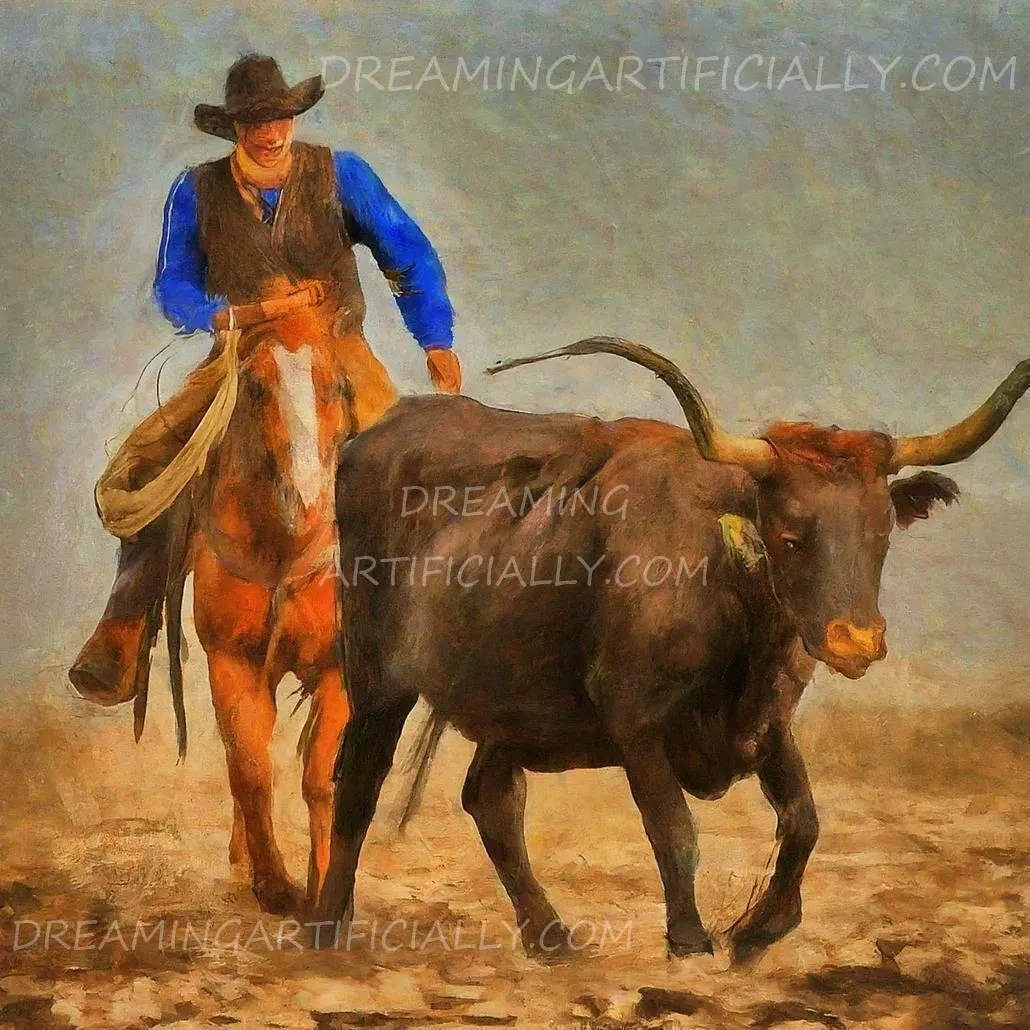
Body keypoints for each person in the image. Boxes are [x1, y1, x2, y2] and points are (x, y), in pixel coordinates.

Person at [69, 54, 460, 704]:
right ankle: (121, 634)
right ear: (235, 127)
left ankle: (436, 630)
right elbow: (174, 285)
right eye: (255, 121)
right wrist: (220, 316)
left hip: (340, 353)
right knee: (148, 469)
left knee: (416, 470)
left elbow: (408, 254)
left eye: (278, 117)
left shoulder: (344, 175)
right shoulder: (196, 190)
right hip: (243, 356)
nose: (269, 131)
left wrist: (436, 337)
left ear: (291, 116)